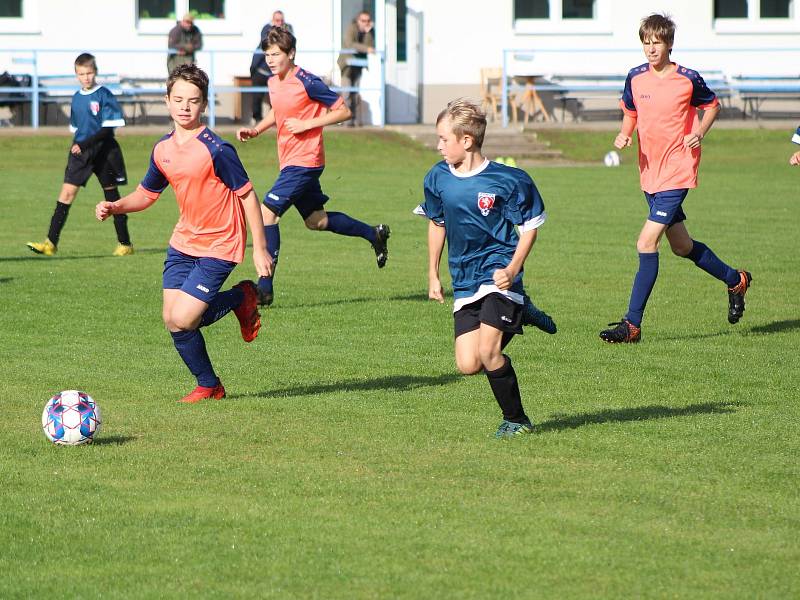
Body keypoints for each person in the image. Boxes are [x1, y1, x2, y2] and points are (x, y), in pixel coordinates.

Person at [95, 64, 270, 403]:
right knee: (173, 320)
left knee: (185, 316)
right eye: (178, 99)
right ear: (167, 101)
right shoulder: (163, 150)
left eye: (193, 100)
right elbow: (147, 194)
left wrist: (259, 248)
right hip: (184, 242)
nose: (185, 106)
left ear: (203, 104)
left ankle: (241, 296)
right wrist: (116, 206)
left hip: (221, 243)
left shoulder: (217, 149)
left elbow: (248, 195)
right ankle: (209, 386)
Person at [599, 13, 751, 344]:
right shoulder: (635, 78)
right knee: (681, 246)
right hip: (649, 172)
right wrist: (625, 133)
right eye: (646, 42)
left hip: (678, 170)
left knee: (645, 242)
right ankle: (735, 279)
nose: (651, 49)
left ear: (669, 44)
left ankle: (632, 325)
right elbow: (631, 112)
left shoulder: (687, 79)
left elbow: (712, 106)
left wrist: (698, 132)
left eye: (657, 42)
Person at [419, 99, 547, 438]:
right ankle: (525, 310)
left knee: (490, 351)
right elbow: (437, 222)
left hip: (499, 274)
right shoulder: (437, 177)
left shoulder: (508, 179)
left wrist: (514, 267)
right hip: (464, 277)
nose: (438, 146)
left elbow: (530, 225)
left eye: (443, 139)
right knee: (467, 364)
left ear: (467, 141)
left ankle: (517, 420)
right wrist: (432, 273)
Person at [237, 27, 390, 307]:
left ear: (291, 53)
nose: (270, 60)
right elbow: (278, 111)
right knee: (315, 221)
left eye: (276, 54)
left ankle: (264, 288)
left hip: (305, 162)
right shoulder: (273, 82)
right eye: (267, 55)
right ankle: (374, 233)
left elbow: (343, 110)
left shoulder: (307, 81)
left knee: (267, 213)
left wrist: (307, 124)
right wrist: (257, 130)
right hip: (290, 161)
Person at [27, 53, 132, 257]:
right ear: (76, 75)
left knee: (112, 200)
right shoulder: (76, 98)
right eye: (81, 74)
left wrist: (83, 144)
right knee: (66, 194)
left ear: (96, 72)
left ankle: (125, 244)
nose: (86, 77)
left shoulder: (104, 95)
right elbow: (77, 128)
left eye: (89, 73)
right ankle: (50, 243)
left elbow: (107, 130)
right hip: (81, 155)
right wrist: (79, 145)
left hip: (103, 153)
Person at [248, 10, 294, 123]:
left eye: (282, 20)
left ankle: (277, 119)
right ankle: (257, 118)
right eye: (277, 20)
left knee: (277, 97)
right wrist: (253, 69)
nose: (279, 23)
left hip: (275, 73)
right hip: (260, 70)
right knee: (257, 96)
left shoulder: (287, 31)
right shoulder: (267, 31)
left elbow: (291, 44)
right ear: (272, 21)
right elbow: (268, 44)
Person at [337, 11, 375, 126]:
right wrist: (365, 49)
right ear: (358, 21)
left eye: (368, 21)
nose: (366, 23)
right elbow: (350, 44)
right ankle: (346, 121)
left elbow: (370, 46)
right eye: (363, 21)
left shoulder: (369, 32)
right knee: (347, 92)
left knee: (355, 93)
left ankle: (354, 121)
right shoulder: (351, 28)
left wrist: (368, 33)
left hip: (358, 65)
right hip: (346, 66)